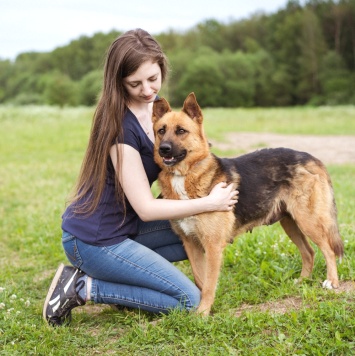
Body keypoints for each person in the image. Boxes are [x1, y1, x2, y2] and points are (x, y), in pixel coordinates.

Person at [43, 28, 238, 326]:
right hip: (95, 240)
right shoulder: (120, 128)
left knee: (199, 236)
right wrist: (209, 203)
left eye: (153, 79)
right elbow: (147, 208)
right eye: (135, 83)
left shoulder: (158, 110)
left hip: (126, 226)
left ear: (162, 69)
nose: (148, 90)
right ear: (118, 81)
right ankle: (81, 287)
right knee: (187, 302)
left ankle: (126, 285)